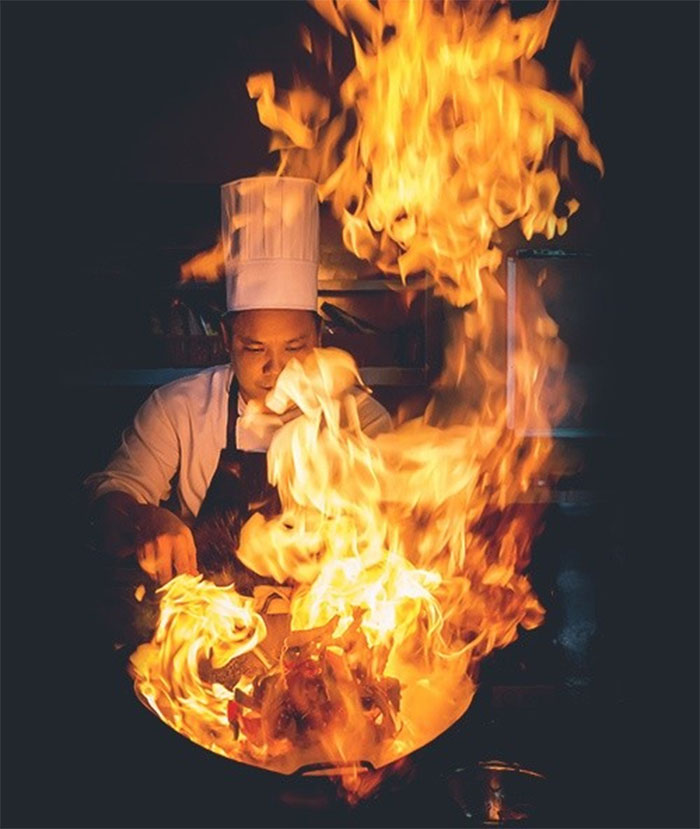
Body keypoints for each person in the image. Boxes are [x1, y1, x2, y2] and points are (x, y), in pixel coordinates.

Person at [86, 177, 391, 586]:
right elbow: (111, 493)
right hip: (210, 617)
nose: (275, 368)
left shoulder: (360, 420)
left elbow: (384, 532)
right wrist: (145, 519)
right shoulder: (178, 407)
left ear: (318, 338)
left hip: (319, 617)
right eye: (254, 348)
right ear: (227, 339)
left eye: (294, 347)